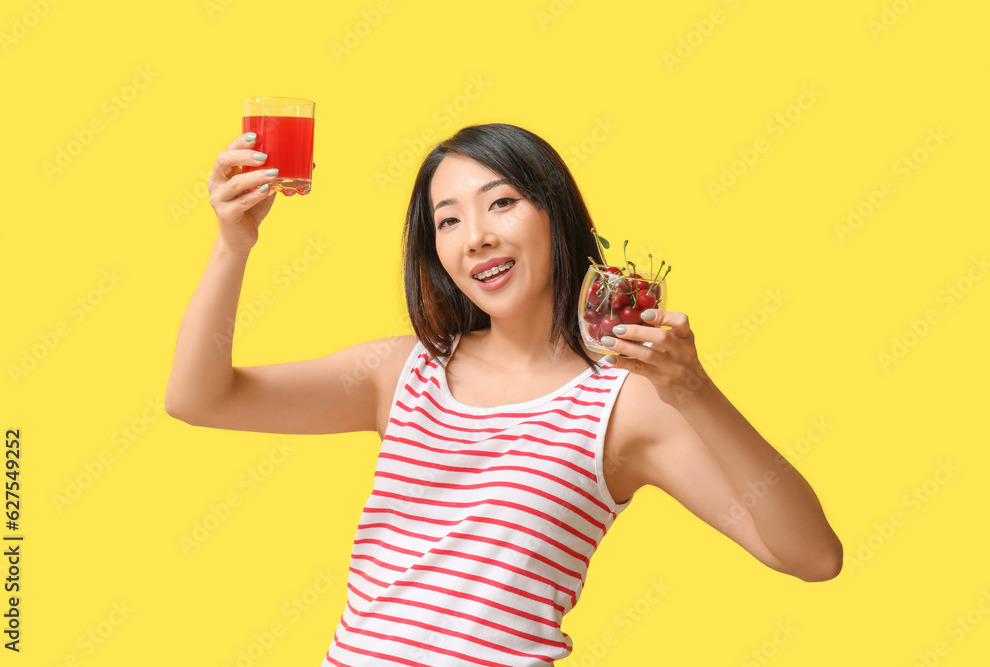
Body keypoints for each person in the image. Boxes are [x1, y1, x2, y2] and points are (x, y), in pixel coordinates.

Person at [165, 123, 842, 666]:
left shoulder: (621, 404)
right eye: (449, 220)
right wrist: (233, 243)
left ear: (555, 214)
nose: (477, 234)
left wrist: (695, 391)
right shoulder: (401, 371)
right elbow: (199, 398)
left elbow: (812, 555)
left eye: (502, 202)